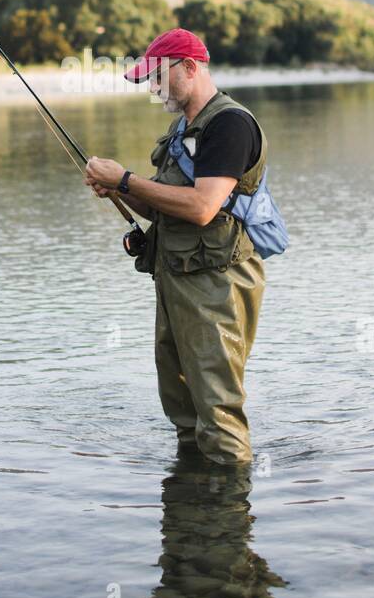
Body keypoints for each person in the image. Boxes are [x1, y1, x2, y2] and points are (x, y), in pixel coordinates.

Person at [84, 28, 267, 465]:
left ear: (189, 67)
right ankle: (190, 510)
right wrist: (119, 192)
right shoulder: (180, 128)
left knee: (218, 412)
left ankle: (225, 519)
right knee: (183, 409)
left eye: (158, 77)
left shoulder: (230, 124)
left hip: (216, 287)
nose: (153, 87)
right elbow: (168, 210)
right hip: (176, 281)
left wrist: (126, 179)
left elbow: (204, 207)